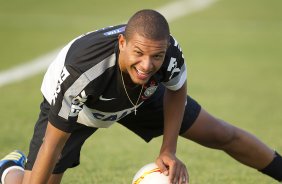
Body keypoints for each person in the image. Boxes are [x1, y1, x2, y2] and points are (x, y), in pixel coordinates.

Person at [0, 9, 281, 184]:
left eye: (156, 56)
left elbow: (176, 88)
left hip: (141, 95)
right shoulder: (82, 72)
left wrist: (168, 149)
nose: (147, 64)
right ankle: (10, 166)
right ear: (122, 43)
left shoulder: (168, 53)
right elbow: (54, 144)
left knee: (222, 134)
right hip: (83, 106)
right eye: (139, 53)